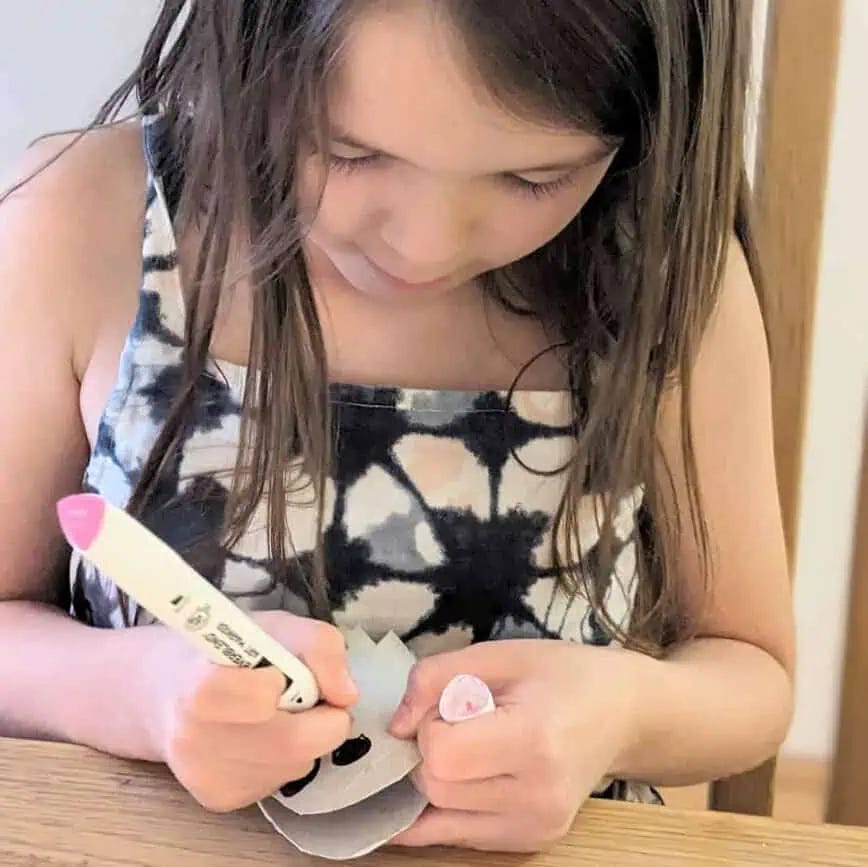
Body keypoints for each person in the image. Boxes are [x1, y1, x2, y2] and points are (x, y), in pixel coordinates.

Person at [0, 0, 795, 853]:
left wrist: (623, 712)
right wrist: (141, 694)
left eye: (534, 178)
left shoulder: (669, 280)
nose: (423, 245)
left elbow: (753, 674)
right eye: (351, 152)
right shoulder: (82, 220)